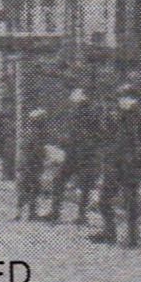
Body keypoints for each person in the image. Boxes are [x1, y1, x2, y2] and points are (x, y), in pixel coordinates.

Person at [95, 89, 141, 248]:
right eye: (121, 98)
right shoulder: (118, 118)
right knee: (103, 200)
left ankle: (133, 239)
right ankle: (110, 233)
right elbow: (108, 138)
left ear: (133, 100)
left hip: (131, 168)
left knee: (131, 204)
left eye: (125, 98)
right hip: (115, 166)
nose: (121, 101)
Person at [46, 87, 98, 224]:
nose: (72, 96)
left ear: (83, 96)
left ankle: (78, 215)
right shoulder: (75, 111)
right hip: (74, 154)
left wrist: (69, 141)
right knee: (60, 181)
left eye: (75, 94)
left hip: (82, 154)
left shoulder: (89, 113)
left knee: (81, 185)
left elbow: (92, 135)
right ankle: (58, 212)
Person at [14, 108, 49, 221]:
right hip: (32, 163)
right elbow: (37, 149)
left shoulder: (27, 131)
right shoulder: (36, 133)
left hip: (26, 163)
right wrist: (43, 156)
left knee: (25, 187)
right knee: (33, 187)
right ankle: (30, 213)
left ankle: (20, 212)